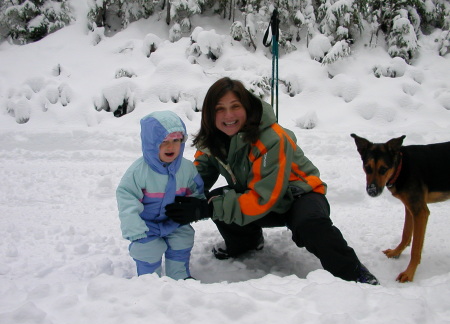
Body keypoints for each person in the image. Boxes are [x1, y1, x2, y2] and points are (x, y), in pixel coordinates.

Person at [165, 77, 379, 285]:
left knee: (310, 225)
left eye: (235, 106)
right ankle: (247, 243)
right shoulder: (212, 141)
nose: (228, 115)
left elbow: (262, 197)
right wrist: (168, 197)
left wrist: (206, 209)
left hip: (299, 196)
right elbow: (197, 178)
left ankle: (353, 272)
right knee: (215, 199)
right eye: (219, 108)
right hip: (261, 198)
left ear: (247, 107)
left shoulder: (272, 139)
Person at [116, 110, 205, 280]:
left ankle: (179, 277)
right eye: (163, 142)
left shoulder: (186, 169)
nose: (171, 146)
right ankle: (148, 280)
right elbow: (126, 197)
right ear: (151, 143)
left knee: (183, 239)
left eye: (176, 140)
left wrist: (198, 207)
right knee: (148, 249)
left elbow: (195, 191)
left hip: (174, 221)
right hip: (146, 225)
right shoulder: (139, 172)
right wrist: (134, 228)